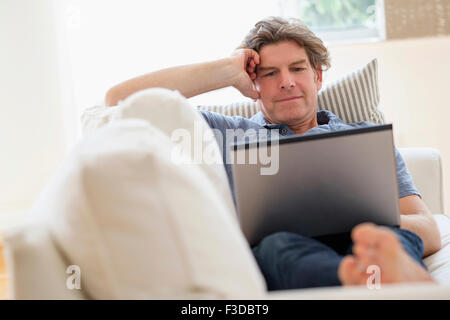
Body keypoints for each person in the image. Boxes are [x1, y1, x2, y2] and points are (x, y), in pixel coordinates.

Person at [105, 16, 441, 289]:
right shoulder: (225, 135)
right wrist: (224, 70)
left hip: (366, 243)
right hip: (288, 256)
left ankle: (383, 271)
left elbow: (427, 227)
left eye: (297, 69)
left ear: (317, 77)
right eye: (270, 73)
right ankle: (356, 280)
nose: (286, 82)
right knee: (274, 245)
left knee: (390, 236)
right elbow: (120, 103)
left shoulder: (366, 137)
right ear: (253, 84)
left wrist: (366, 221)